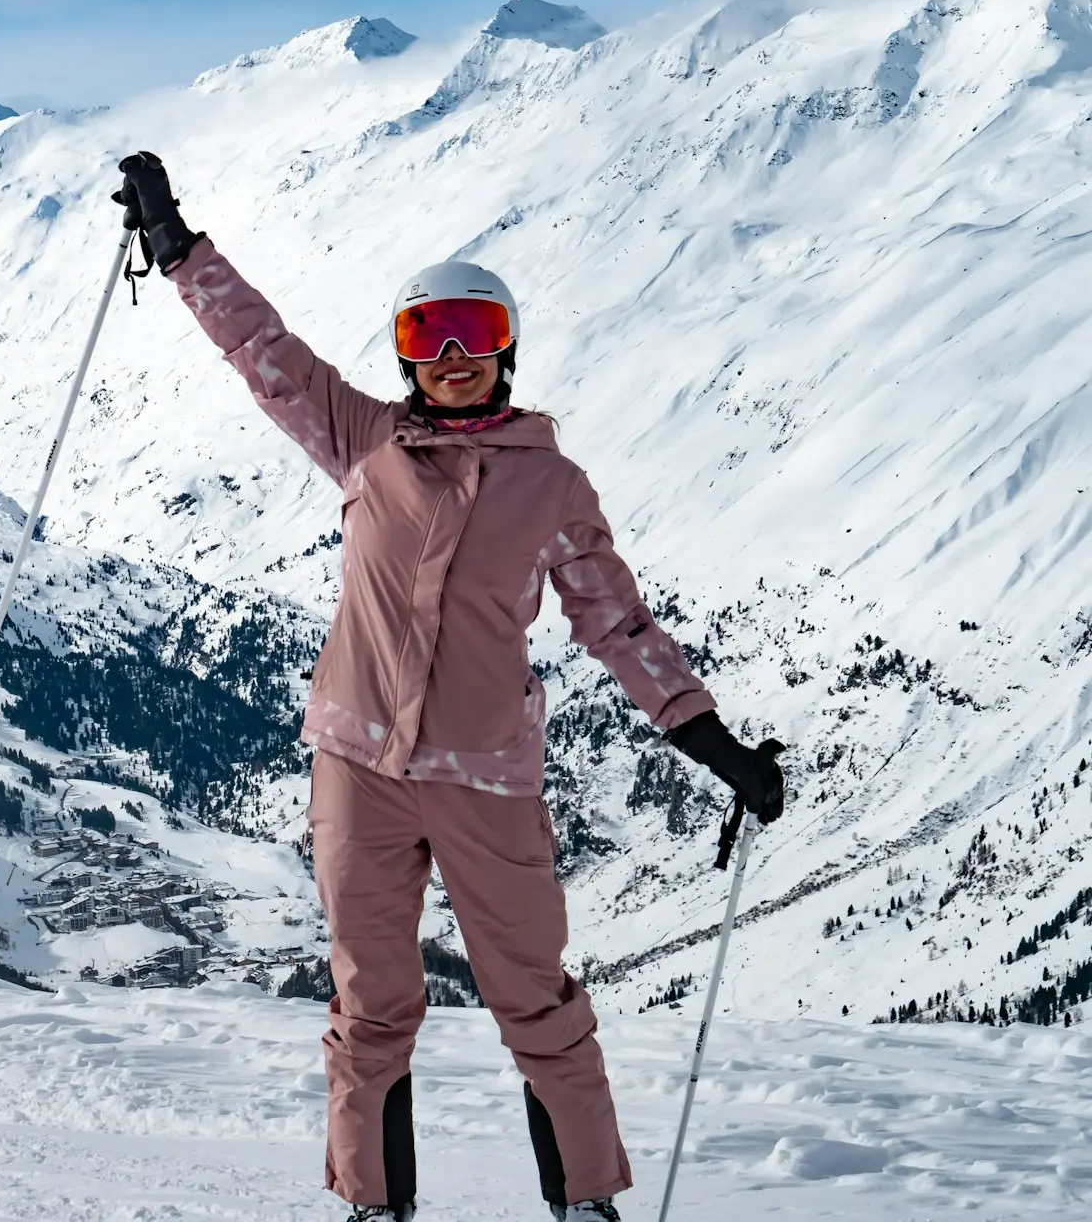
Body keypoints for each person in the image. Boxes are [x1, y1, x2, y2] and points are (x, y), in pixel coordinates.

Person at [111, 153, 785, 1222]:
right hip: (356, 770)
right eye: (431, 337)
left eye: (475, 333)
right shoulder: (365, 443)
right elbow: (263, 351)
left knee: (537, 1004)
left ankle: (585, 1204)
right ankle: (375, 1209)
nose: (457, 356)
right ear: (406, 355)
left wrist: (710, 739)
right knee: (371, 1008)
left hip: (488, 778)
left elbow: (616, 622)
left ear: (508, 347)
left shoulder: (554, 485)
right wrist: (183, 254)